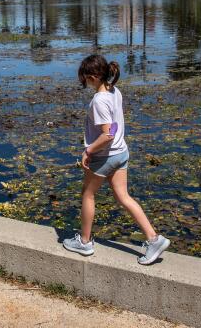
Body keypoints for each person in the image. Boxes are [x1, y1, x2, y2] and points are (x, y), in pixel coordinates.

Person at [63, 54, 170, 265]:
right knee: (123, 197)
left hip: (105, 156)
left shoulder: (99, 101)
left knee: (87, 195)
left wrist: (89, 151)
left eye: (84, 77)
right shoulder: (114, 91)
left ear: (93, 76)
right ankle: (154, 239)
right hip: (121, 152)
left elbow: (107, 134)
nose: (82, 81)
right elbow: (114, 128)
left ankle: (84, 242)